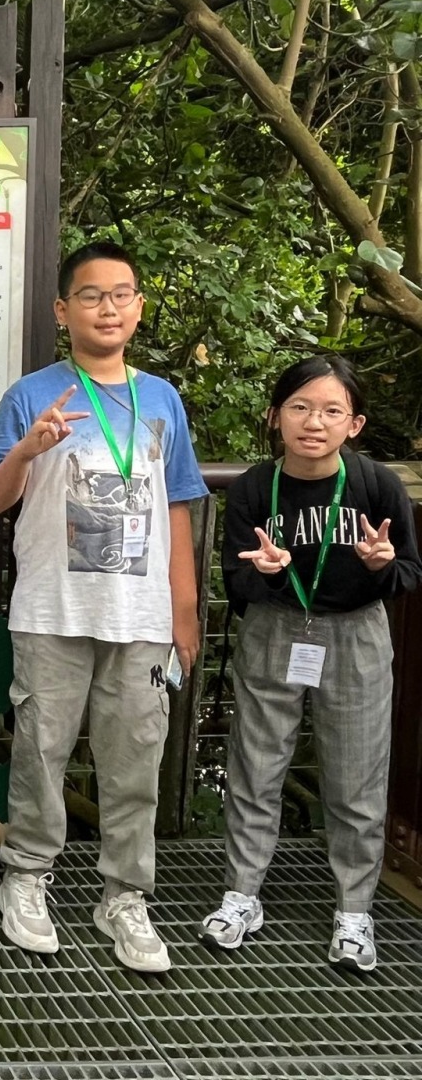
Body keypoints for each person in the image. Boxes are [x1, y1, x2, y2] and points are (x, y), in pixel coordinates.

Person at [0, 241, 208, 975]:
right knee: (40, 750)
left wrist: (183, 612)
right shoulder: (31, 394)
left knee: (136, 757)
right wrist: (28, 448)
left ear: (138, 307)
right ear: (62, 310)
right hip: (52, 607)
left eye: (121, 294)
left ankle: (125, 895)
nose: (107, 308)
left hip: (140, 615)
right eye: (90, 295)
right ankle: (27, 876)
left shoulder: (162, 399)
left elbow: (178, 507)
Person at [206, 356, 420, 970]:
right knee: (256, 766)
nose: (314, 422)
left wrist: (380, 565)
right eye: (300, 407)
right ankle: (242, 895)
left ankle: (355, 910)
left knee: (356, 776)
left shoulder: (376, 485)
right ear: (276, 416)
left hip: (357, 635)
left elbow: (409, 572)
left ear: (354, 424)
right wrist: (268, 574)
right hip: (275, 628)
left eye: (331, 410)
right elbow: (236, 580)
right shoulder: (254, 487)